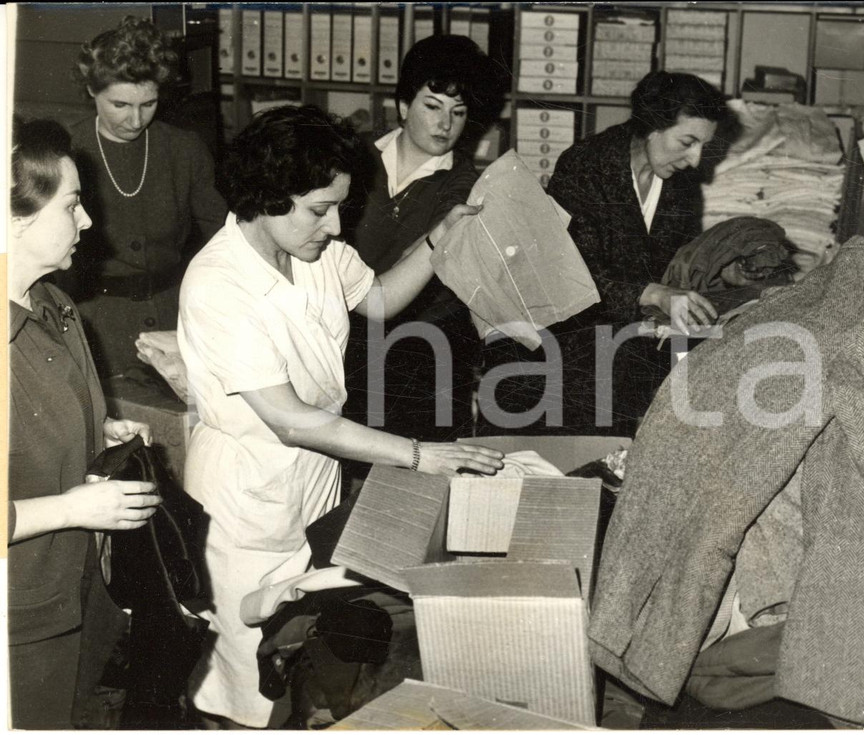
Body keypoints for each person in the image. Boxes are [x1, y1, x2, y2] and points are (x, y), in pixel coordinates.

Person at [177, 105, 505, 728]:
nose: (333, 224)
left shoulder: (315, 248)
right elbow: (290, 420)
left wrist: (439, 240)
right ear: (266, 197)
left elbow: (378, 299)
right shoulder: (219, 284)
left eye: (338, 207)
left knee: (307, 659)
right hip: (251, 495)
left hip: (315, 482)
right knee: (252, 680)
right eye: (318, 208)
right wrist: (418, 454)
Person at [8, 117, 160, 729]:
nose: (88, 222)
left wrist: (99, 432)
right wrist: (73, 509)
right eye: (72, 205)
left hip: (81, 591)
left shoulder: (58, 307)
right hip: (18, 618)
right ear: (14, 215)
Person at [479, 71, 731, 438]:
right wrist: (656, 295)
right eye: (687, 141)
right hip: (561, 349)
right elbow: (569, 274)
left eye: (702, 146)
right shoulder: (585, 165)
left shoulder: (683, 185)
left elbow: (679, 262)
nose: (695, 160)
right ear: (652, 126)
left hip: (629, 349)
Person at [342, 34, 504, 442]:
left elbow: (425, 253)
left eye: (459, 112)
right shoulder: (351, 159)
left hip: (424, 351)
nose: (445, 124)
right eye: (432, 107)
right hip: (345, 339)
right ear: (402, 106)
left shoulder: (465, 182)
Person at [64, 15, 226, 378]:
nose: (136, 120)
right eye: (120, 105)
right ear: (92, 90)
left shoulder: (184, 149)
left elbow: (223, 239)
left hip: (175, 323)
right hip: (94, 328)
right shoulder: (67, 151)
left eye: (148, 104)